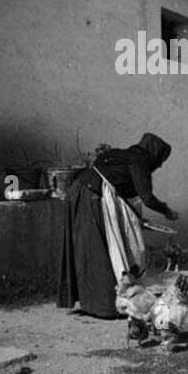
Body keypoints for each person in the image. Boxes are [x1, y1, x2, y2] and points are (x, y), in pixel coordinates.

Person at [59, 133, 178, 318]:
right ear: (154, 154)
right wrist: (166, 211)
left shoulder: (121, 155)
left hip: (79, 192)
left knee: (86, 250)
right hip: (91, 197)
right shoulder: (140, 161)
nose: (160, 165)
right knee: (100, 252)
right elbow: (147, 198)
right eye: (161, 159)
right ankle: (105, 306)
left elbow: (118, 187)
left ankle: (92, 303)